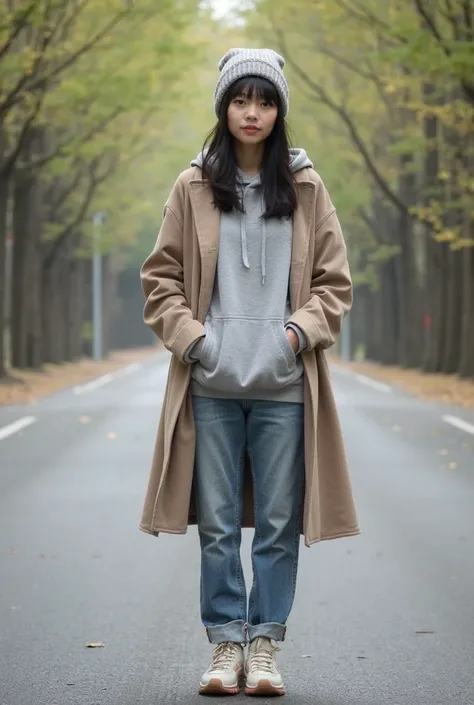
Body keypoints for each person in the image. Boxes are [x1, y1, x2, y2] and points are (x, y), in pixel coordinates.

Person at [139, 48, 359, 697]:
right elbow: (160, 280)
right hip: (210, 385)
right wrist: (198, 342)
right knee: (215, 526)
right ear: (224, 107)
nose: (253, 112)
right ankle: (224, 645)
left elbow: (334, 283)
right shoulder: (193, 186)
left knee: (278, 523)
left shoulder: (309, 188)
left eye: (264, 101)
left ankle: (264, 645)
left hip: (286, 390)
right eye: (241, 99)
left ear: (279, 109)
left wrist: (295, 333)